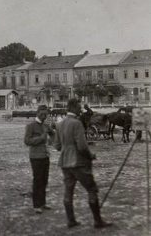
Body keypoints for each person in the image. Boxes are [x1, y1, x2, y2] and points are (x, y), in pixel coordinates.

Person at [54, 98, 112, 229]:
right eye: (79, 107)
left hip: (65, 163)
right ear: (73, 107)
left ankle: (71, 220)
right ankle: (98, 221)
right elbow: (82, 146)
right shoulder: (77, 123)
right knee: (92, 189)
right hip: (79, 163)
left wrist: (66, 147)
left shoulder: (60, 124)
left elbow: (57, 146)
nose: (81, 109)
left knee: (68, 191)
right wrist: (90, 156)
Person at [24, 105, 54, 214]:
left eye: (45, 114)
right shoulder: (31, 126)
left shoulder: (46, 125)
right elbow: (27, 141)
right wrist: (40, 138)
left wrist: (52, 139)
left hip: (45, 156)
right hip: (35, 157)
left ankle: (43, 203)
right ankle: (36, 205)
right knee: (37, 180)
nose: (44, 116)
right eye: (42, 114)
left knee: (45, 180)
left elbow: (53, 134)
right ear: (37, 113)